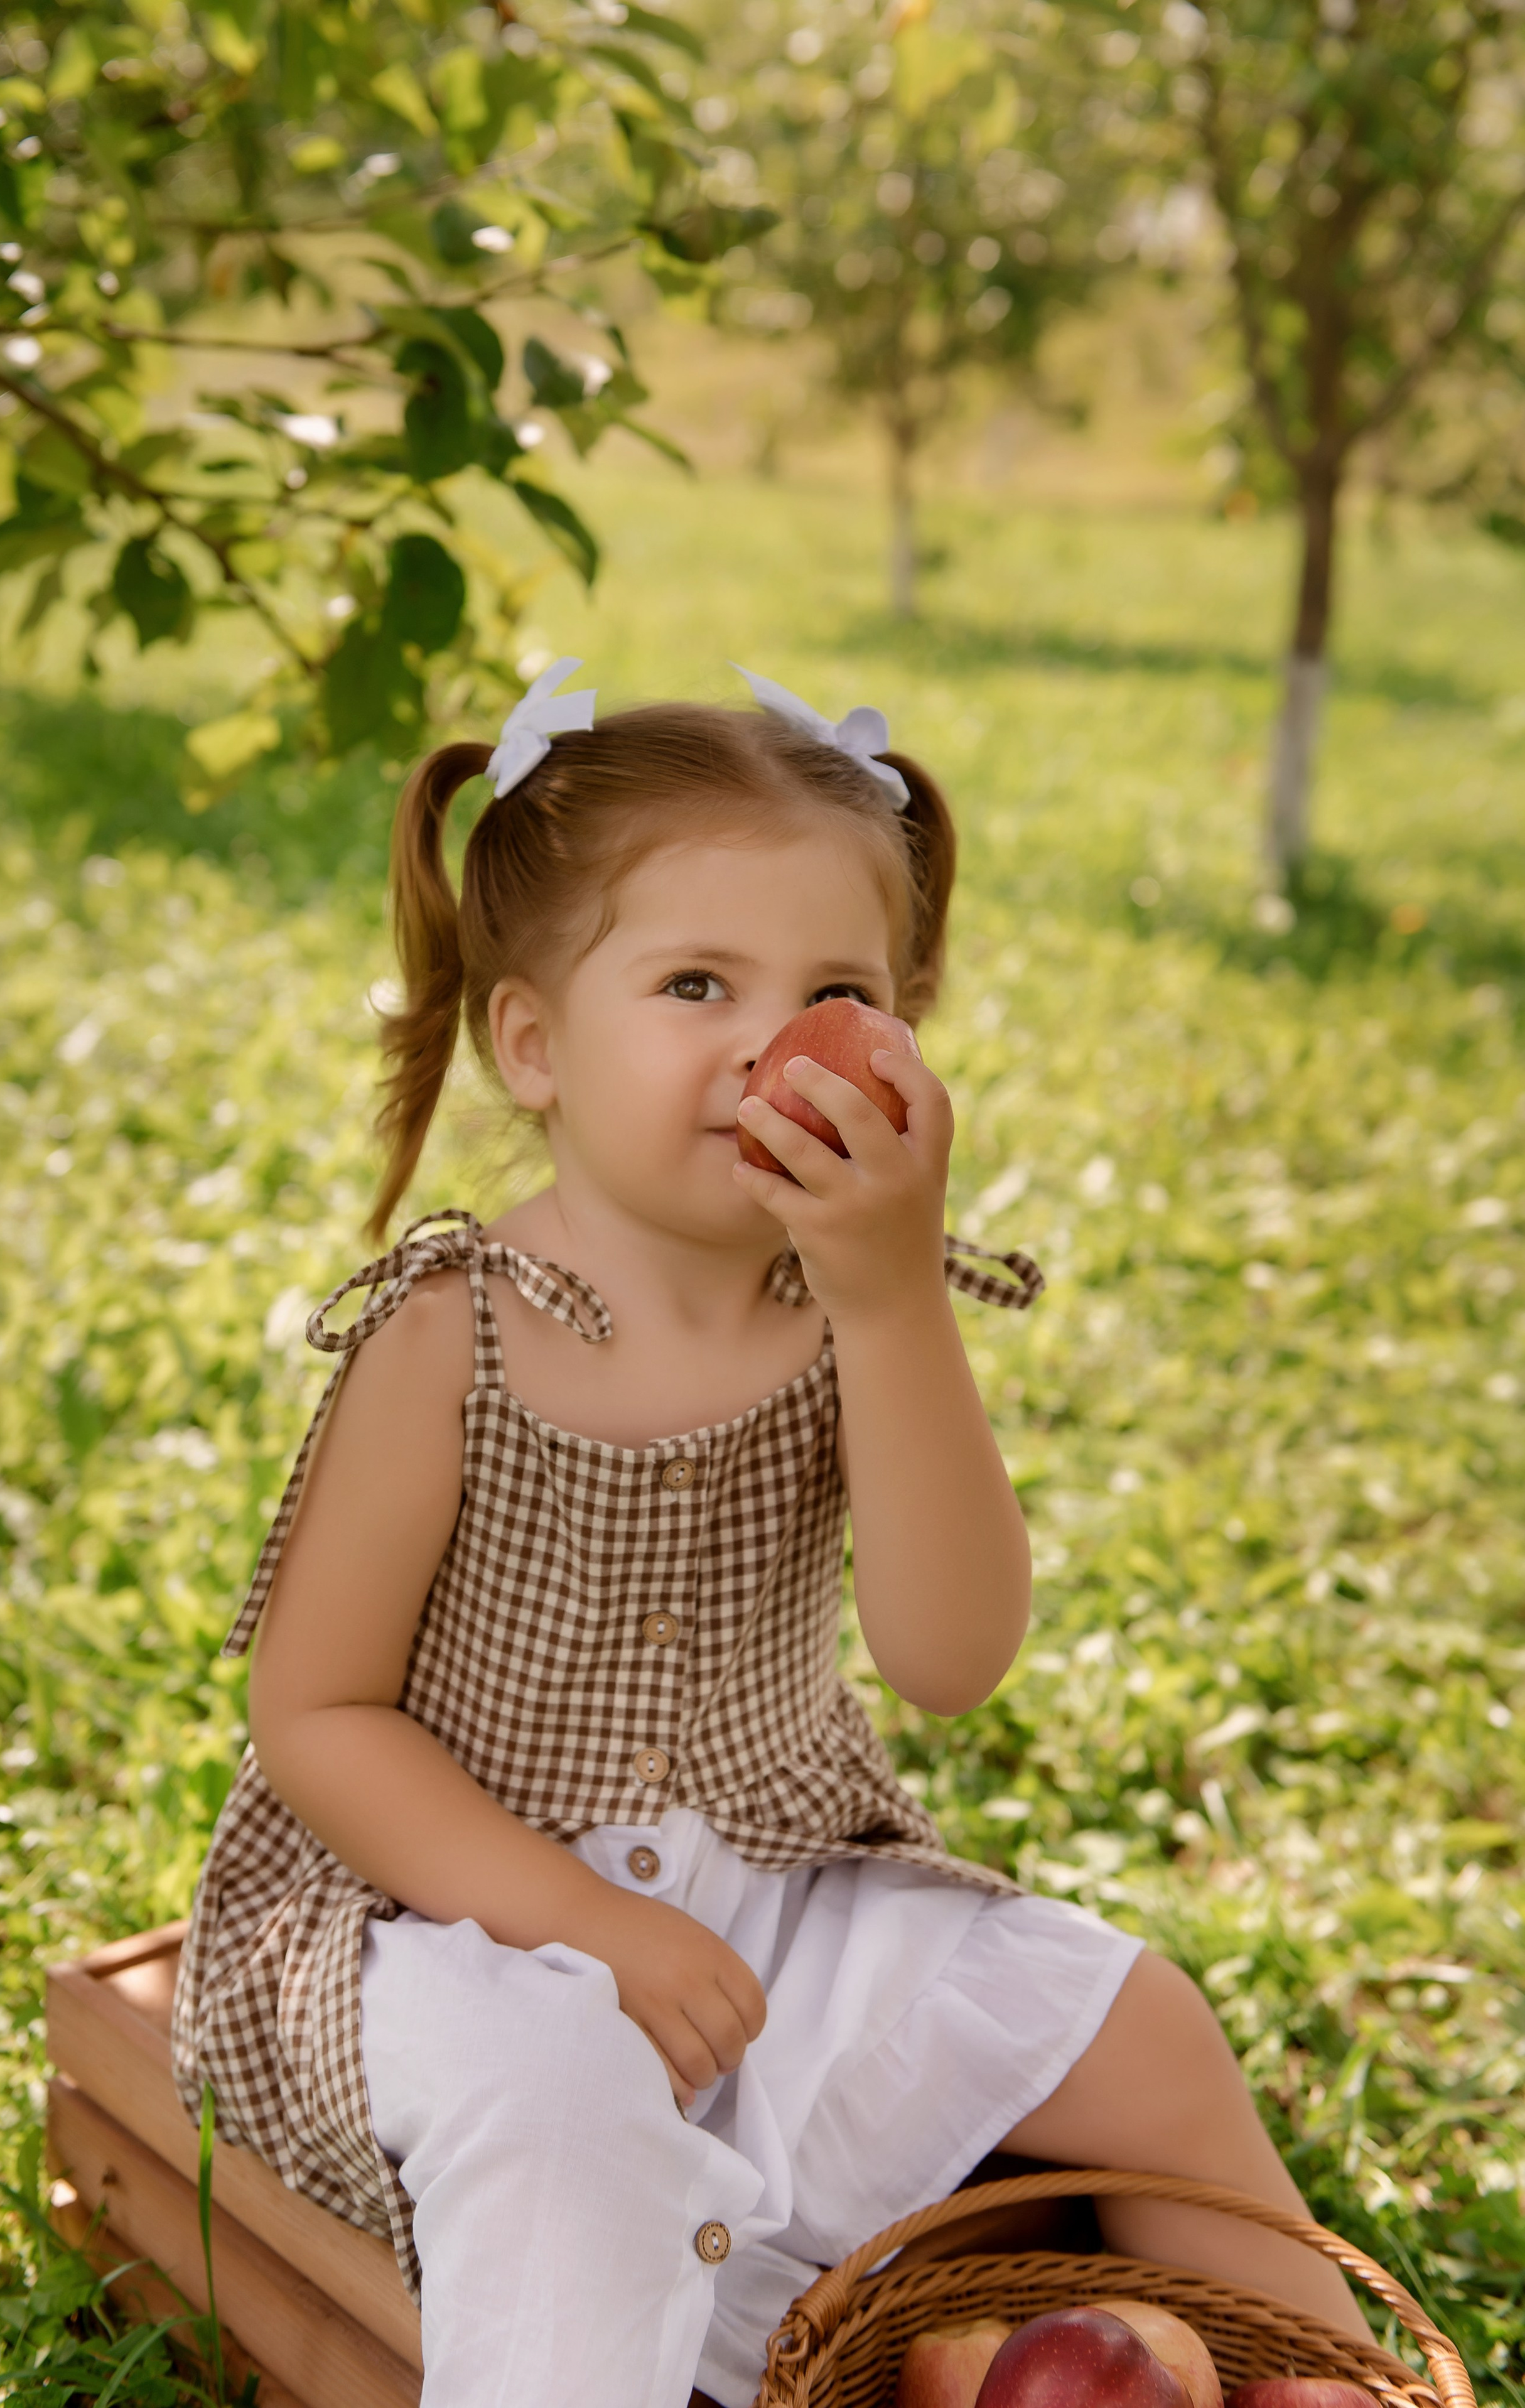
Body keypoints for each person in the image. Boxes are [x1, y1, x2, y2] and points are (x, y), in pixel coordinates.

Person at [173, 662, 1369, 2408]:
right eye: (694, 983)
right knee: (565, 2123)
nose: (772, 1036)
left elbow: (952, 1658)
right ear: (534, 1045)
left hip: (769, 1881)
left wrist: (895, 1304)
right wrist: (581, 1916)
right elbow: (318, 1720)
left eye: (837, 990)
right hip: (439, 1914)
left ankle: (1316, 2368)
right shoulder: (452, 1329)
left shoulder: (847, 1307)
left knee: (1130, 2013)